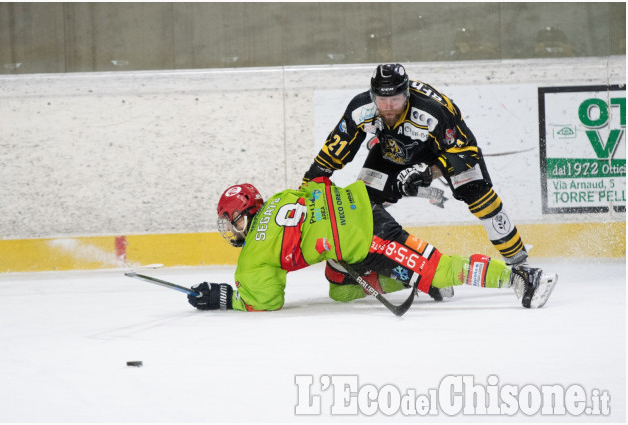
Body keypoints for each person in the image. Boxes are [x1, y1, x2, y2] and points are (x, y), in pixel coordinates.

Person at [187, 178, 557, 312]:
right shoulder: (281, 196)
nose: (231, 230)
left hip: (370, 237)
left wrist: (224, 297)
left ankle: (522, 279)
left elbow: (265, 301)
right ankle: (418, 279)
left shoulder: (253, 255)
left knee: (434, 266)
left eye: (232, 221)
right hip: (362, 208)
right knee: (340, 289)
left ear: (247, 215)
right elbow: (319, 188)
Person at [302, 63, 529, 273]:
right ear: (373, 97)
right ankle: (374, 263)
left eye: (396, 100)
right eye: (382, 100)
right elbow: (335, 149)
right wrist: (309, 184)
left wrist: (430, 171)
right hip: (393, 150)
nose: (389, 107)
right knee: (363, 204)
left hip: (443, 153)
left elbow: (466, 150)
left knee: (477, 194)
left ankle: (518, 260)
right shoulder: (360, 109)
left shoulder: (433, 110)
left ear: (407, 94)